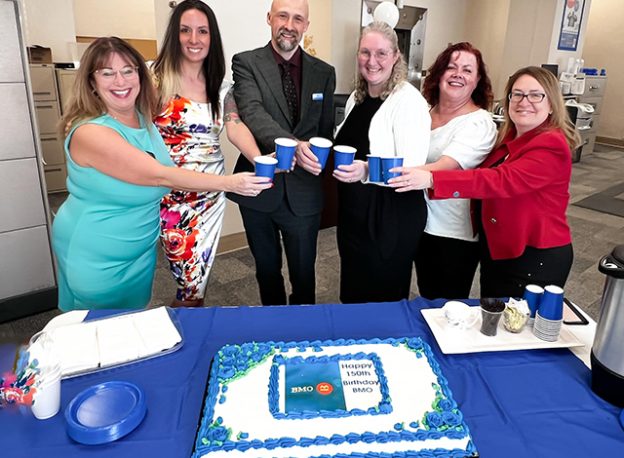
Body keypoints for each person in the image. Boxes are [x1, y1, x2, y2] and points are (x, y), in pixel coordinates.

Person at [52, 37, 271, 312]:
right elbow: (160, 176)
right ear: (91, 81)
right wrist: (231, 183)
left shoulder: (143, 115)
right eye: (107, 73)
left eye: (128, 70)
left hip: (139, 251)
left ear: (141, 75)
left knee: (133, 327)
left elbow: (197, 100)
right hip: (97, 251)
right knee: (98, 336)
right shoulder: (91, 132)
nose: (120, 81)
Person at [392, 66, 580, 298]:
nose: (524, 101)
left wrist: (432, 178)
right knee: (493, 318)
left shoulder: (551, 144)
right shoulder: (509, 139)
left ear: (551, 104)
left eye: (535, 95)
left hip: (534, 254)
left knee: (517, 328)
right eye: (517, 94)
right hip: (500, 250)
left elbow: (501, 181)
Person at [152, 0, 264, 307]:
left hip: (212, 195)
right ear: (174, 35)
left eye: (202, 31)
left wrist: (260, 159)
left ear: (212, 37)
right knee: (188, 283)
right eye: (185, 30)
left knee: (196, 282)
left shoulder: (221, 87)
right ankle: (183, 334)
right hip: (172, 196)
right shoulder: (155, 80)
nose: (194, 39)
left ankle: (189, 331)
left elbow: (235, 126)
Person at [228, 0, 336, 306]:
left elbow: (325, 129)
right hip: (260, 188)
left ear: (306, 25)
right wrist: (294, 145)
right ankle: (272, 327)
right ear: (269, 18)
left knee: (305, 275)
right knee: (266, 271)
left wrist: (318, 157)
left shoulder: (324, 73)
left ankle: (303, 332)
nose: (290, 24)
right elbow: (252, 111)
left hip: (304, 193)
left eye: (298, 18)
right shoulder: (246, 63)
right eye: (283, 16)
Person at [331, 21, 431, 304]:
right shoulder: (356, 98)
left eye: (381, 53)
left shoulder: (408, 102)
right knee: (353, 292)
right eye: (365, 53)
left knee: (381, 297)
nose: (371, 61)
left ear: (396, 56)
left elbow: (408, 170)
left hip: (390, 216)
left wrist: (364, 169)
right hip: (355, 214)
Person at [413, 42, 497, 300]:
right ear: (439, 73)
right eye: (451, 67)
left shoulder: (479, 122)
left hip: (452, 233)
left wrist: (385, 171)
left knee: (448, 305)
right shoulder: (422, 113)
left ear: (477, 80)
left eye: (467, 70)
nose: (458, 74)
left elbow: (444, 168)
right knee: (426, 295)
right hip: (418, 222)